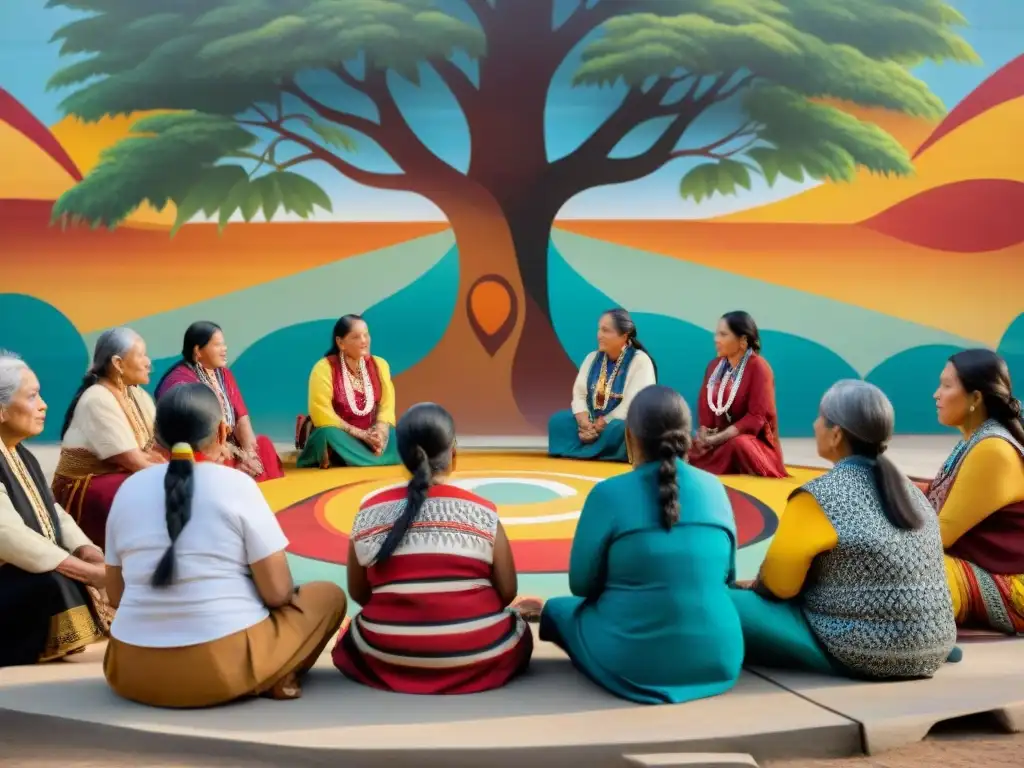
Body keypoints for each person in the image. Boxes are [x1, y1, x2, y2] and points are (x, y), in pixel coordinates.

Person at [103, 383, 347, 708]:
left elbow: (117, 595)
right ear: (222, 431)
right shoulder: (237, 485)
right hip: (220, 670)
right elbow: (277, 593)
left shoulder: (128, 490)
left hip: (130, 670)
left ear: (155, 436)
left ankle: (270, 671)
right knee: (328, 596)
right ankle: (276, 673)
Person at [731, 380, 957, 680]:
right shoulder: (912, 493)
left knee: (718, 601)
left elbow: (779, 586)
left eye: (819, 418)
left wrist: (751, 586)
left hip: (861, 651)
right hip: (934, 645)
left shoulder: (819, 497)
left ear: (836, 433)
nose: (814, 425)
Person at [535, 386, 742, 704]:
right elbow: (727, 577)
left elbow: (581, 586)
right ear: (686, 437)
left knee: (558, 610)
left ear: (630, 438)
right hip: (722, 659)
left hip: (632, 663)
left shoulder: (609, 494)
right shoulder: (716, 489)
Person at [333, 402, 533, 694]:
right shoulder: (482, 512)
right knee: (519, 632)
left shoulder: (369, 511)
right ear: (453, 454)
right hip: (477, 654)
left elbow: (359, 592)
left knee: (353, 639)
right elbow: (506, 592)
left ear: (403, 458)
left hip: (386, 652)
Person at [0, 352, 107, 667]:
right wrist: (84, 572)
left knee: (71, 575)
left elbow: (51, 510)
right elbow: (8, 534)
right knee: (55, 582)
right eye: (32, 397)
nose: (43, 404)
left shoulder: (19, 453)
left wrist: (86, 550)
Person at [927, 349, 1024, 634]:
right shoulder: (976, 439)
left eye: (946, 386)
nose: (936, 394)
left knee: (903, 572)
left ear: (976, 398)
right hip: (987, 569)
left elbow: (938, 536)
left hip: (1013, 585)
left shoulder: (992, 449)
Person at [51, 328, 165, 548]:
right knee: (146, 495)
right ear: (118, 363)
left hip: (121, 475)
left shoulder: (138, 395)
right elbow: (135, 462)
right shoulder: (97, 399)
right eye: (141, 355)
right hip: (82, 489)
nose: (148, 362)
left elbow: (153, 449)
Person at [154, 321, 283, 482]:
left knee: (262, 446)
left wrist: (249, 454)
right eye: (217, 345)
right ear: (197, 351)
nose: (225, 349)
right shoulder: (179, 382)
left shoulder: (224, 374)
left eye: (224, 344)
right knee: (224, 463)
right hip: (200, 449)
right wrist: (230, 451)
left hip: (229, 446)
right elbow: (190, 434)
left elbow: (241, 417)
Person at [548, 308, 657, 462]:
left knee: (622, 430)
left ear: (624, 335)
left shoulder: (640, 361)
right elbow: (579, 394)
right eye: (599, 329)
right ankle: (593, 445)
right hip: (592, 421)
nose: (599, 335)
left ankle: (588, 448)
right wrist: (584, 422)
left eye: (606, 331)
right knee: (558, 421)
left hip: (618, 422)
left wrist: (602, 424)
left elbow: (633, 404)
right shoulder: (592, 358)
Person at [690, 311, 787, 478]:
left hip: (754, 444)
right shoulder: (714, 367)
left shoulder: (760, 368)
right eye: (716, 333)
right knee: (682, 441)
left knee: (738, 444)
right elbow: (705, 407)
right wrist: (705, 433)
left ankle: (711, 464)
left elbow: (755, 418)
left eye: (723, 334)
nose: (716, 339)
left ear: (743, 341)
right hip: (719, 442)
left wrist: (719, 438)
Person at [296, 315, 399, 468]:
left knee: (401, 432)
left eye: (366, 334)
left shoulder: (380, 364)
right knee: (327, 434)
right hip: (342, 434)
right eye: (357, 337)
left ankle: (359, 457)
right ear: (340, 343)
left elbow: (387, 405)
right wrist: (361, 434)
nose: (364, 341)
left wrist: (381, 431)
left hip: (372, 432)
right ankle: (377, 458)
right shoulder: (324, 368)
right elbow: (321, 412)